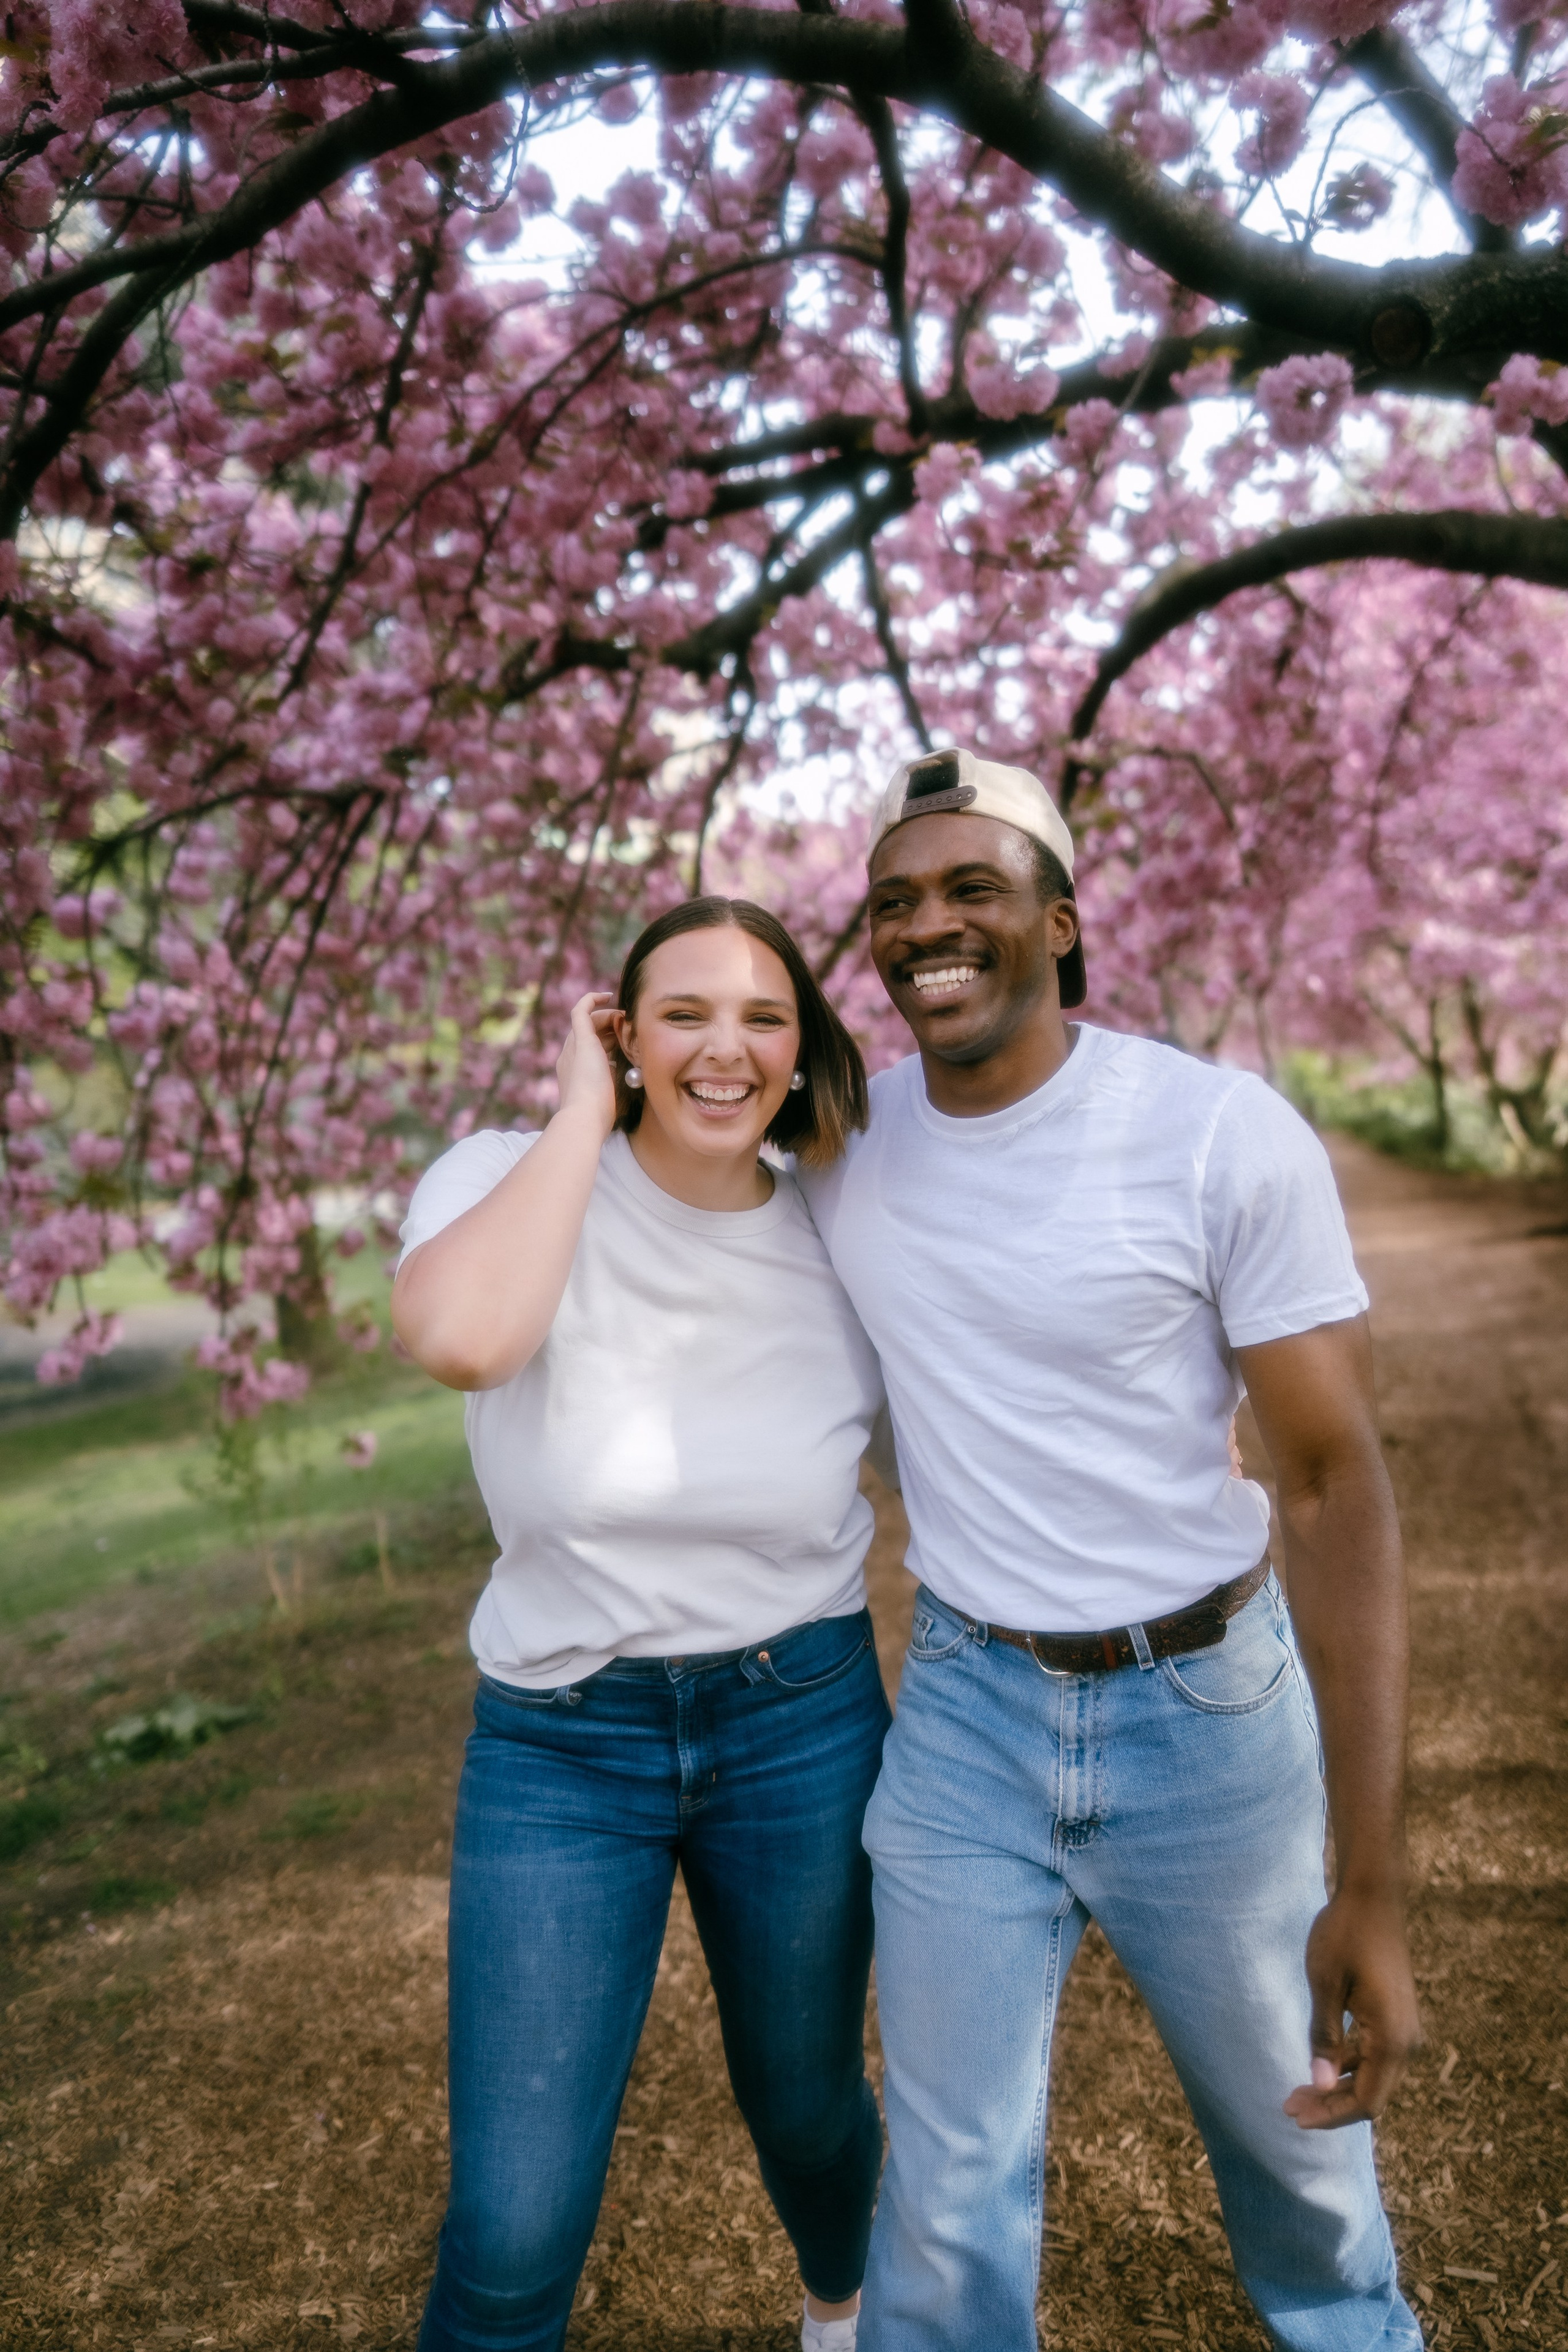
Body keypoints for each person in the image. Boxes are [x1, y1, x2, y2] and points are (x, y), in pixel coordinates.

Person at [799, 747, 1424, 2352]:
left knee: (1306, 2176)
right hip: (962, 1720)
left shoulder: (1217, 1136)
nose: (925, 926)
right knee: (943, 2199)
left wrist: (1372, 1880)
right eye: (893, 903)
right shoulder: (848, 1157)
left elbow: (1338, 1484)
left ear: (1061, 924)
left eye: (970, 891)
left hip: (1207, 1717)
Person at [393, 897, 891, 2352]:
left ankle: (844, 2308)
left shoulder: (840, 1223)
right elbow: (465, 1341)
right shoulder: (501, 1176)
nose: (724, 1049)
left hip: (799, 1717)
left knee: (807, 2108)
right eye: (683, 1015)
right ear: (621, 1033)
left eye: (762, 1017)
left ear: (801, 1051)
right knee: (511, 2225)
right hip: (561, 1742)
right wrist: (574, 1119)